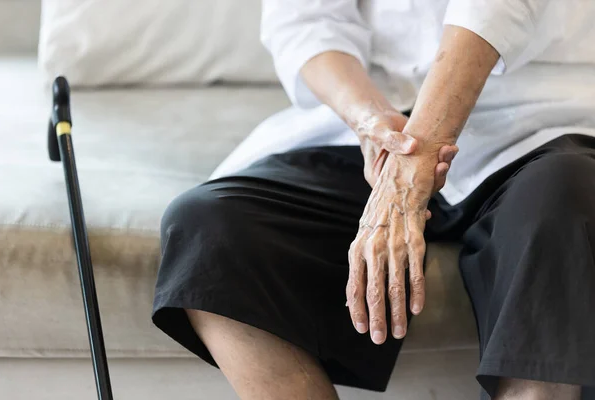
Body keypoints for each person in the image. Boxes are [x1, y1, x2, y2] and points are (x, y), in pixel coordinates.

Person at [152, 1, 595, 399]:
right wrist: (369, 122)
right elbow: (307, 21)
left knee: (565, 204)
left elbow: (496, 8)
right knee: (208, 229)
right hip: (375, 123)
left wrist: (414, 159)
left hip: (536, 118)